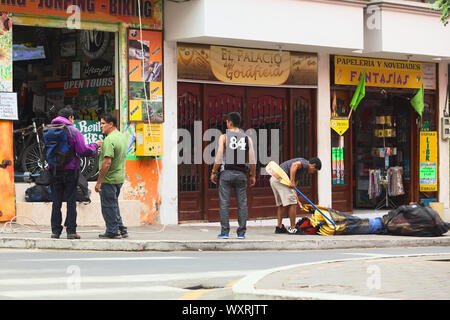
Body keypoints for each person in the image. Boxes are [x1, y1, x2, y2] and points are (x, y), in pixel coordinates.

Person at [49, 107, 99, 240]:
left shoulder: (49, 130)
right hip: (70, 170)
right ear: (70, 117)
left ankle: (55, 231)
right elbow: (82, 150)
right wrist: (94, 146)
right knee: (71, 200)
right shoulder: (73, 131)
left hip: (54, 170)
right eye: (73, 118)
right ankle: (71, 231)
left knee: (56, 201)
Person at [210, 112, 256, 239]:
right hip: (241, 174)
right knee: (242, 204)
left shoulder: (224, 137)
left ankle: (225, 232)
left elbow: (219, 156)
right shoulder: (247, 138)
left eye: (227, 122)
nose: (226, 123)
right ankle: (241, 233)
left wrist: (214, 172)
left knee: (224, 203)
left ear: (230, 123)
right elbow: (252, 159)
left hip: (226, 174)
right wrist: (253, 175)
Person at [95, 113, 128, 239]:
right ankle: (121, 228)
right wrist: (103, 151)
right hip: (119, 177)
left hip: (109, 179)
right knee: (113, 204)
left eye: (103, 123)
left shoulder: (109, 139)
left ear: (111, 124)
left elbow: (107, 162)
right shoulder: (121, 136)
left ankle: (112, 231)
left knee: (108, 206)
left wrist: (99, 182)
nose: (101, 126)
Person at [270, 157, 322, 234]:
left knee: (281, 205)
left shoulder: (301, 171)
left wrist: (298, 200)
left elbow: (294, 188)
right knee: (292, 204)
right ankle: (293, 228)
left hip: (274, 179)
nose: (313, 172)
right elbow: (294, 165)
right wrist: (291, 181)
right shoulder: (305, 163)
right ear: (313, 165)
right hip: (280, 179)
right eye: (314, 170)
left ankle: (279, 227)